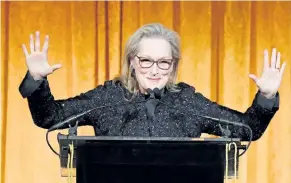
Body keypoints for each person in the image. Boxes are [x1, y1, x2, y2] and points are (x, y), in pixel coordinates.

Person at [19, 23, 285, 140]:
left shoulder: (187, 101)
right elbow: (50, 118)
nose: (155, 69)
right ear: (132, 61)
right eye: (146, 61)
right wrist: (36, 79)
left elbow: (248, 130)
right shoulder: (108, 97)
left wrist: (267, 97)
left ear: (173, 65)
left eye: (163, 62)